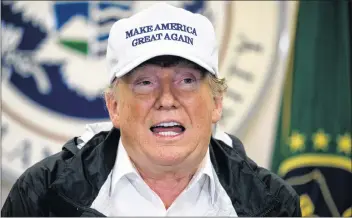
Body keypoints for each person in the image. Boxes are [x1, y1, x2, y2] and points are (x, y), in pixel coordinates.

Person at [1, 3, 301, 217]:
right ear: (114, 107)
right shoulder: (41, 195)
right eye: (145, 82)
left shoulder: (272, 203)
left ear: (217, 103)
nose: (167, 98)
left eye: (187, 80)